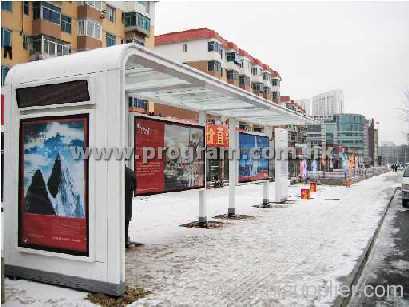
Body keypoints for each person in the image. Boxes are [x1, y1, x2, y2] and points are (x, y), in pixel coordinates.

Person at [125, 166, 136, 248]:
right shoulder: (130, 172)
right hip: (127, 200)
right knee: (125, 220)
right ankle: (125, 238)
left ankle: (118, 238)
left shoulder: (113, 172)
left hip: (115, 201)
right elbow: (135, 186)